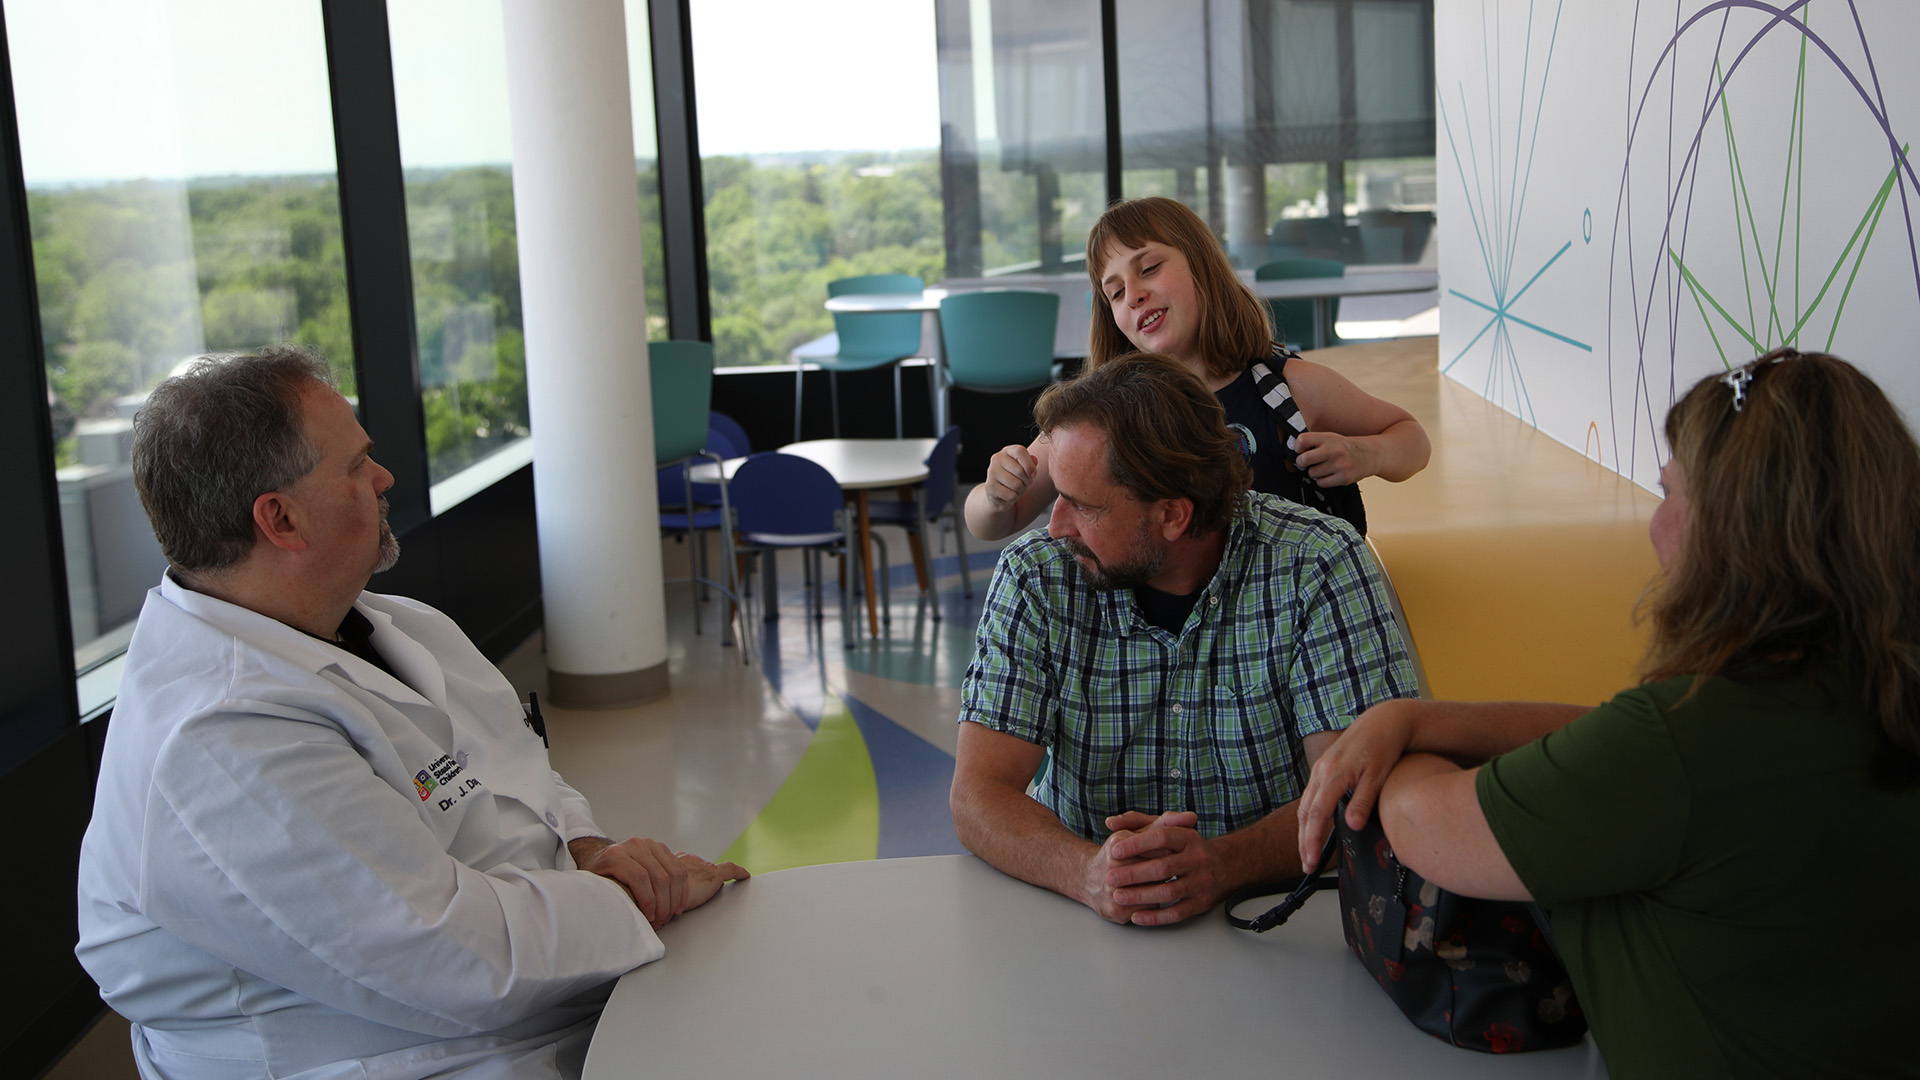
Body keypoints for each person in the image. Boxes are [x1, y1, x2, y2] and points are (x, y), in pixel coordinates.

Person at [75, 346, 748, 1080]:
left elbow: (518, 771)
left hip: (554, 969)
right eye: (357, 465)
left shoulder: (398, 626)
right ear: (282, 519)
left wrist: (586, 847)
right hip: (419, 1051)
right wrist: (636, 896)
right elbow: (457, 959)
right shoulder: (217, 739)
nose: (384, 477)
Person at [1296, 348, 1920, 1078]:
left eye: (1670, 494)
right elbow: (1610, 733)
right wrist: (1420, 717)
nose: (1657, 525)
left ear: (1732, 531)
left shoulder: (1676, 749)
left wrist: (1387, 732)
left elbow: (1428, 824)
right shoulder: (1866, 693)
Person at [951, 353, 1418, 926]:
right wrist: (1091, 874)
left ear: (1172, 515)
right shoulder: (1036, 575)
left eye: (1081, 505)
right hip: (1078, 928)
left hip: (1278, 927)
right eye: (1057, 496)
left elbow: (1356, 794)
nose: (1055, 525)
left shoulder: (1317, 564)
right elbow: (978, 794)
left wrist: (1223, 865)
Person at [964, 195, 1430, 541]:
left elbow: (1411, 438)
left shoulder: (1288, 389)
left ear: (1203, 266)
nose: (1134, 294)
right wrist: (995, 494)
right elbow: (990, 522)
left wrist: (1365, 456)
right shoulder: (1099, 416)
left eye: (1148, 268)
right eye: (1115, 292)